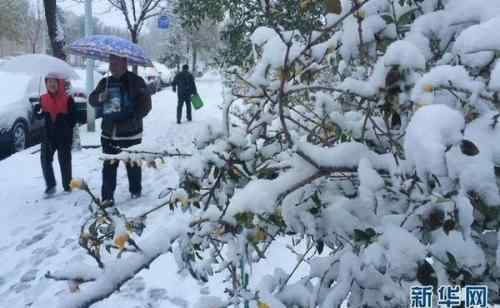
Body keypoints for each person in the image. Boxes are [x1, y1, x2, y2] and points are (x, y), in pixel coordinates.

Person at [89, 54, 152, 206]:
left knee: (133, 165)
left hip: (131, 134)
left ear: (124, 63)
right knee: (109, 166)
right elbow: (92, 100)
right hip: (109, 133)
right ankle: (107, 198)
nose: (113, 65)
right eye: (111, 62)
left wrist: (132, 118)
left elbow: (146, 105)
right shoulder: (105, 82)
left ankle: (135, 191)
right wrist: (100, 98)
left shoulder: (136, 82)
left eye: (116, 62)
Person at [34, 75, 77, 197]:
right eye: (49, 82)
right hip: (48, 136)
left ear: (59, 83)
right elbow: (39, 116)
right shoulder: (43, 99)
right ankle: (51, 185)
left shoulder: (67, 99)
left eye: (54, 82)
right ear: (46, 84)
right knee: (45, 159)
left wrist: (64, 123)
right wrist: (37, 110)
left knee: (64, 161)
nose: (51, 84)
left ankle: (67, 185)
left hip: (64, 137)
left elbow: (74, 118)